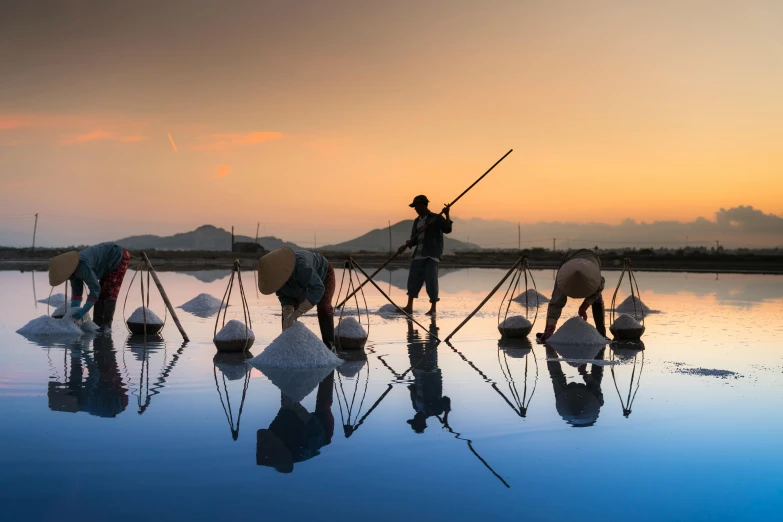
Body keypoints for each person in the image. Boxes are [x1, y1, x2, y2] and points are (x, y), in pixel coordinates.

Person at [256, 372, 335, 473]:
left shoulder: (271, 437)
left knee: (288, 403)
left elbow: (283, 413)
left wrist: (288, 401)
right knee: (323, 404)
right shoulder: (303, 450)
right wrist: (298, 408)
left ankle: (290, 372)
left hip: (297, 428)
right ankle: (329, 367)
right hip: (322, 430)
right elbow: (315, 426)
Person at [258, 247, 335, 347]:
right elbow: (284, 296)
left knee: (324, 307)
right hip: (298, 283)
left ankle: (330, 346)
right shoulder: (276, 278)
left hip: (323, 273)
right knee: (288, 317)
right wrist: (288, 313)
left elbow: (318, 288)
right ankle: (287, 345)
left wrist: (298, 312)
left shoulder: (300, 266)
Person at [48, 242, 131, 330]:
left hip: (117, 256)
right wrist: (74, 311)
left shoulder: (81, 267)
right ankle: (97, 324)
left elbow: (95, 288)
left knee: (110, 291)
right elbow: (77, 292)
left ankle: (106, 326)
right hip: (104, 264)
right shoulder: (71, 272)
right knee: (101, 293)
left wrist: (84, 310)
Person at [397, 194, 453, 315]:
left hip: (431, 254)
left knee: (431, 281)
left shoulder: (436, 218)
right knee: (413, 280)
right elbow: (414, 239)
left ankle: (433, 309)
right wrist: (406, 246)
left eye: (416, 206)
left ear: (423, 204)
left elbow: (447, 229)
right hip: (419, 255)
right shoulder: (417, 221)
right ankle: (409, 306)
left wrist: (447, 214)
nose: (415, 209)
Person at [537, 249, 606, 341]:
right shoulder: (564, 280)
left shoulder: (595, 279)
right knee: (556, 297)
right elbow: (556, 303)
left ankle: (601, 333)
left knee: (597, 298)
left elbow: (597, 292)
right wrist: (551, 327)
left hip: (592, 259)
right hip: (569, 258)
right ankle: (547, 331)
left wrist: (583, 307)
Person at [406, 317, 451, 433]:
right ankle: (433, 323)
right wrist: (445, 415)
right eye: (416, 421)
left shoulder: (416, 407)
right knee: (431, 343)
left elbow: (413, 391)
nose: (415, 417)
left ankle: (410, 324)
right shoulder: (435, 410)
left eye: (413, 420)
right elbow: (446, 399)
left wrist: (411, 387)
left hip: (418, 372)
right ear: (422, 422)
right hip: (431, 373)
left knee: (412, 345)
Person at [545, 345, 605, 427]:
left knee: (597, 375)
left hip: (580, 404)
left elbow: (595, 383)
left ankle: (600, 348)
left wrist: (584, 372)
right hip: (567, 404)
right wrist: (584, 373)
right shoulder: (564, 408)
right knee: (556, 376)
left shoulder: (593, 407)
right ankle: (550, 350)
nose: (576, 383)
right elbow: (555, 375)